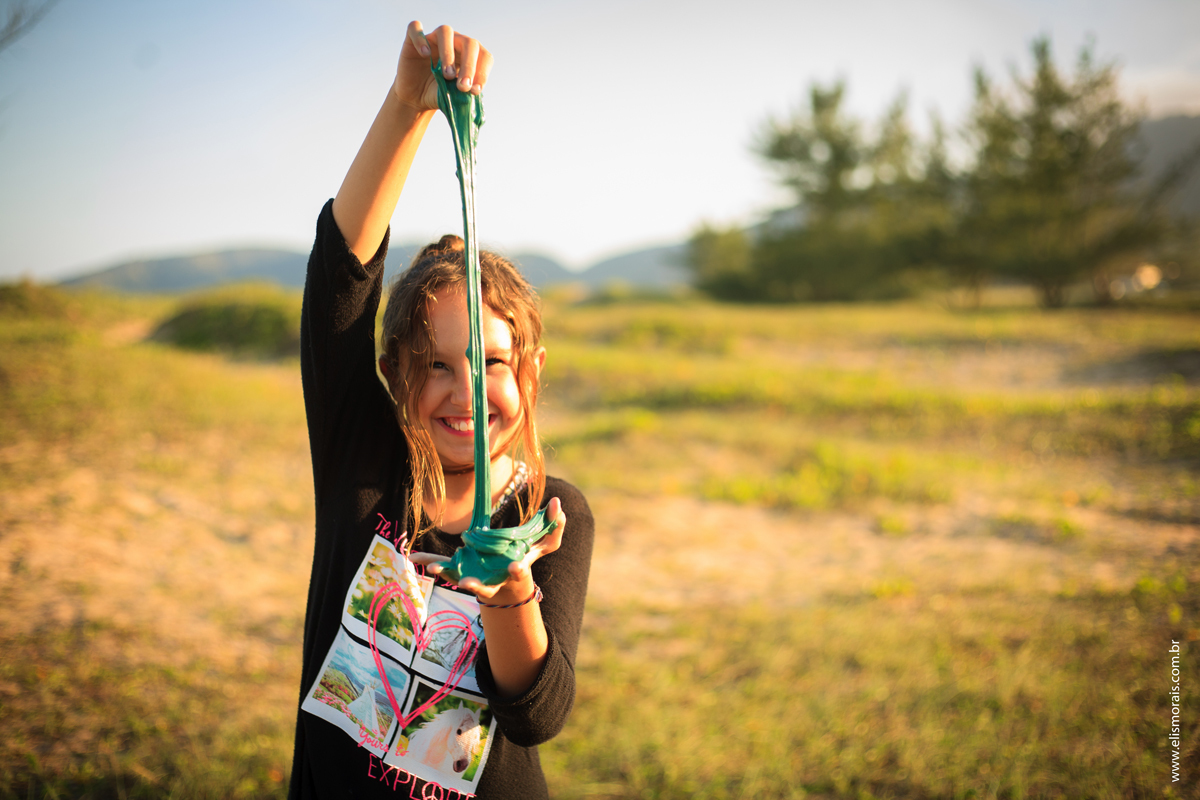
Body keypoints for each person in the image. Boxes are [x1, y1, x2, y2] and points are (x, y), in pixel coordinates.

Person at [289, 20, 594, 800]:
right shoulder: (364, 462)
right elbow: (339, 279)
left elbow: (537, 712)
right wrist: (406, 106)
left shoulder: (549, 510)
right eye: (434, 366)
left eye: (491, 362)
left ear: (530, 372)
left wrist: (508, 590)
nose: (464, 392)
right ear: (393, 373)